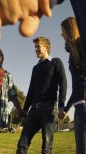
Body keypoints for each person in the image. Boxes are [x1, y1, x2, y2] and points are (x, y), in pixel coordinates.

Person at [16, 37, 67, 154]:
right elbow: (31, 91)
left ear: (46, 47)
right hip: (34, 109)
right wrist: (24, 112)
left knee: (46, 147)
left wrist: (61, 105)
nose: (36, 49)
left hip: (49, 109)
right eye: (35, 47)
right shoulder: (36, 68)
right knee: (22, 144)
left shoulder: (55, 62)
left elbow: (63, 83)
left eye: (38, 46)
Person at [60, 17, 86, 154]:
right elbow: (77, 86)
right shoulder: (73, 53)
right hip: (78, 105)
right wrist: (66, 107)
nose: (61, 34)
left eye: (63, 30)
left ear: (69, 30)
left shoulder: (81, 43)